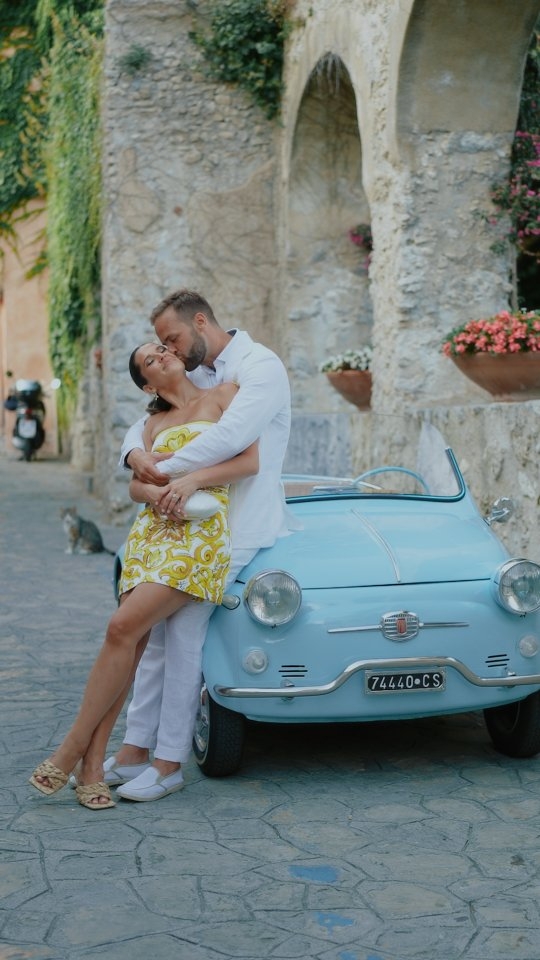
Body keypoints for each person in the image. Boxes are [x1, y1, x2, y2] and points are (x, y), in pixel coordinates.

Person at [28, 341, 258, 809]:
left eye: (161, 348)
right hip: (150, 536)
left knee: (120, 628)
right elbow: (136, 487)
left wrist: (191, 481)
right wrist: (153, 494)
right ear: (148, 384)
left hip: (198, 539)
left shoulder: (225, 396)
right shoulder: (151, 425)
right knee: (128, 647)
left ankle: (70, 749)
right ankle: (94, 767)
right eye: (150, 361)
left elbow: (250, 462)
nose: (161, 355)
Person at [104, 288, 295, 802]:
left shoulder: (260, 367)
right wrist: (132, 458)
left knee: (183, 638)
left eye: (171, 339)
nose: (167, 349)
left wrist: (160, 473)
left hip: (238, 526)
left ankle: (168, 764)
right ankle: (134, 752)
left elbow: (231, 438)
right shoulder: (205, 372)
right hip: (188, 525)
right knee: (159, 643)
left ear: (202, 322)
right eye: (160, 346)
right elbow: (142, 424)